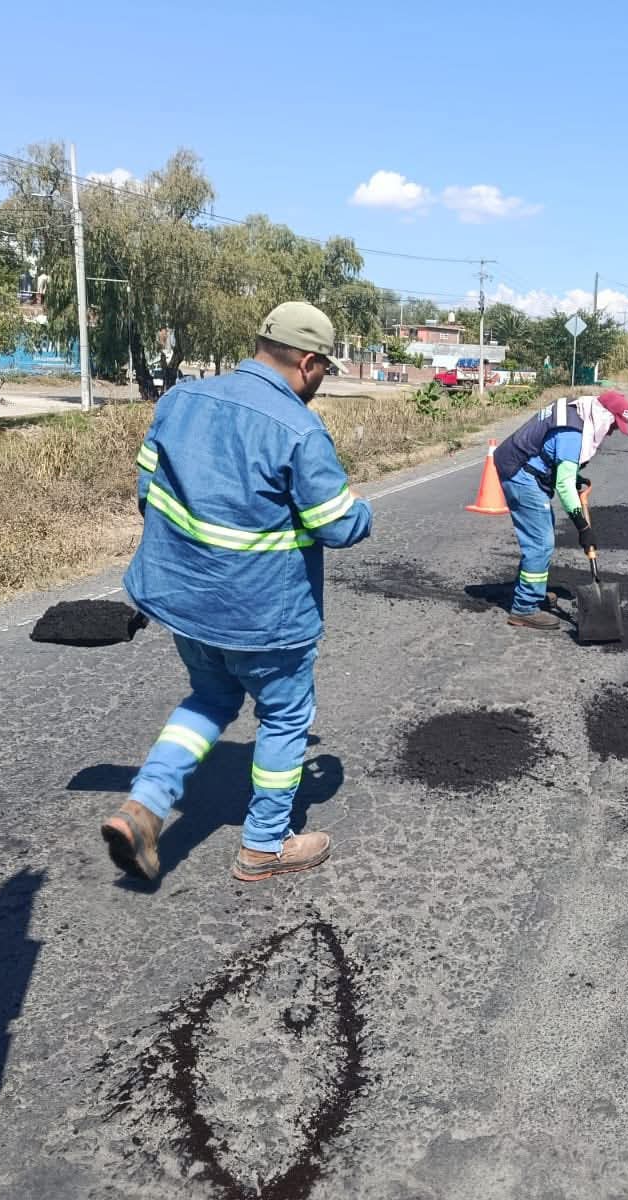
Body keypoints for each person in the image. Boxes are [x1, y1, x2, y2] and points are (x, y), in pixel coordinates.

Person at [100, 302, 373, 884]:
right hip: (265, 617)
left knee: (209, 699)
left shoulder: (180, 400)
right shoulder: (298, 428)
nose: (320, 382)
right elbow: (337, 525)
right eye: (323, 370)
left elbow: (147, 490)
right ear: (307, 363)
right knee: (284, 716)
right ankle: (264, 846)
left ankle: (146, 804)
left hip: (186, 603)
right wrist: (362, 511)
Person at [493, 390, 628, 630]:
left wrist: (571, 474)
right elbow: (564, 486)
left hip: (524, 465)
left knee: (540, 537)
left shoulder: (578, 410)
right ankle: (524, 608)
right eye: (613, 425)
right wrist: (583, 527)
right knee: (541, 542)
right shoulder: (573, 434)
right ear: (603, 415)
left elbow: (552, 452)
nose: (611, 431)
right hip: (521, 473)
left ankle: (531, 592)